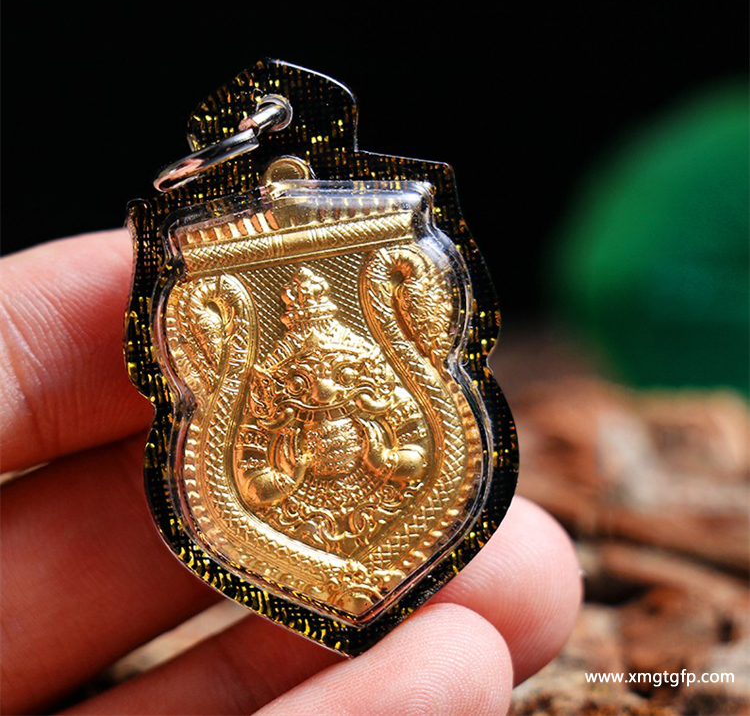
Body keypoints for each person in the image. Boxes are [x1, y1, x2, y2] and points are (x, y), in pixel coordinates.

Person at [0, 229, 582, 716]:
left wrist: (382, 457)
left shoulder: (383, 404)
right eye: (306, 382)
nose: (325, 389)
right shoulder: (271, 417)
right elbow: (255, 486)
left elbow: (409, 455)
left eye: (340, 378)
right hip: (300, 517)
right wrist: (293, 467)